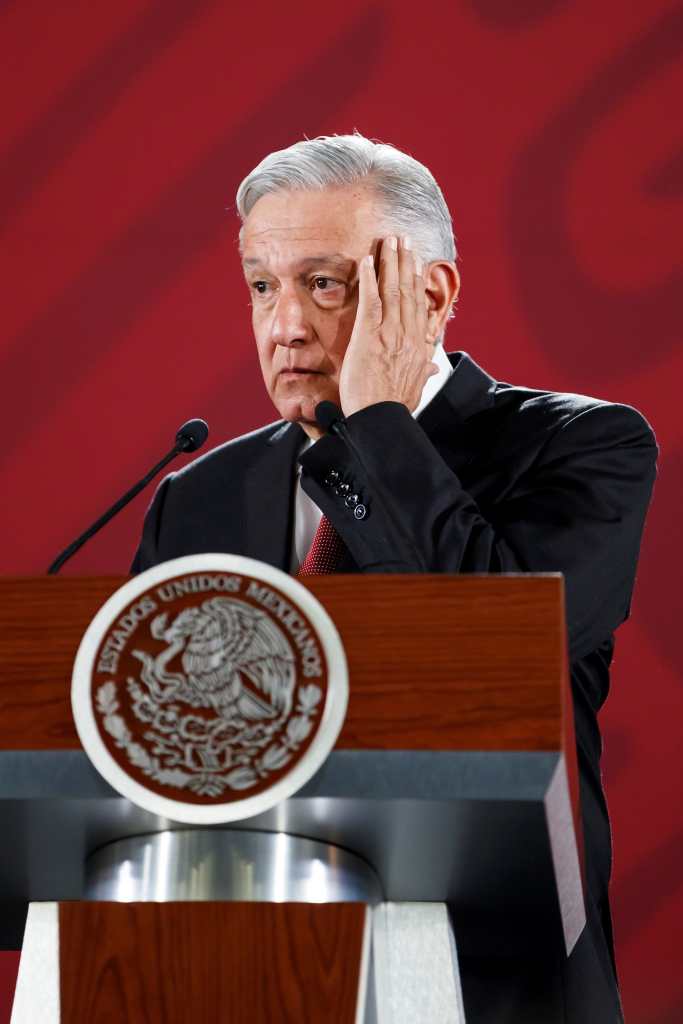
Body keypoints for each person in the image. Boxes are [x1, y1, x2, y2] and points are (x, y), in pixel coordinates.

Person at [132, 133, 657, 1021]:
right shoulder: (200, 496)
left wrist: (375, 421)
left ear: (431, 294)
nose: (284, 325)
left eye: (323, 284)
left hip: (490, 986)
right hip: (242, 980)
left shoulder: (580, 446)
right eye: (261, 286)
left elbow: (495, 651)